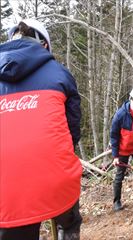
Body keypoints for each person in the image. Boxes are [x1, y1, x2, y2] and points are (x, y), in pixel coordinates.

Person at [0, 19, 82, 240]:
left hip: (6, 190)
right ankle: (68, 231)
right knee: (69, 219)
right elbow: (73, 130)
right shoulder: (59, 73)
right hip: (55, 177)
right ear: (44, 45)